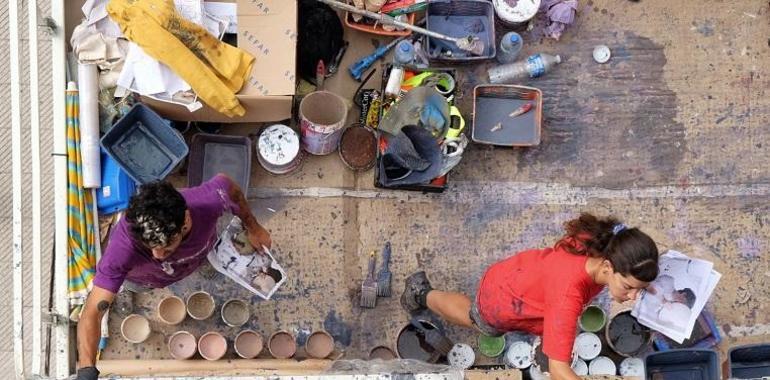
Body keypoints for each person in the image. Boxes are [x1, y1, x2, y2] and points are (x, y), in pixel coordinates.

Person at [400, 213, 659, 380]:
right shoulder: (568, 295)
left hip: (524, 274)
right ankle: (422, 293)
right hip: (504, 298)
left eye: (640, 288)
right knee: (476, 319)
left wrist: (650, 284)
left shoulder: (607, 243)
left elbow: (637, 260)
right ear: (607, 267)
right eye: (628, 287)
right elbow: (558, 370)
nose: (633, 296)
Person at [75, 174, 271, 380]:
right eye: (151, 249)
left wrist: (254, 227)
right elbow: (92, 312)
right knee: (130, 286)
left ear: (186, 221)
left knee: (202, 258)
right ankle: (126, 288)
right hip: (145, 279)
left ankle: (201, 263)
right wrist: (87, 370)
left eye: (166, 248)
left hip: (198, 255)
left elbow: (231, 187)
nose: (157, 256)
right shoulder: (121, 252)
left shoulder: (209, 201)